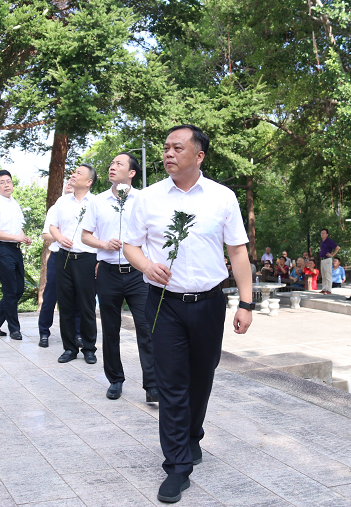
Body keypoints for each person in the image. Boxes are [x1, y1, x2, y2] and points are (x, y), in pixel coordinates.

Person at [123, 125, 253, 504]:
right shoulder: (146, 199)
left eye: (177, 147)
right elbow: (131, 246)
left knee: (201, 376)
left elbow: (239, 253)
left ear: (198, 155)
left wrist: (246, 303)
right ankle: (177, 466)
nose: (168, 153)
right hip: (164, 303)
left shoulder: (222, 197)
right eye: (165, 147)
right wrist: (147, 266)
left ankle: (192, 434)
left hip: (210, 302)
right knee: (172, 384)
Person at [81, 152, 158, 403]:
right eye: (111, 163)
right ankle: (115, 379)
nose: (112, 167)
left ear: (132, 173)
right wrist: (104, 243)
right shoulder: (98, 201)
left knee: (146, 328)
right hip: (108, 272)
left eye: (119, 164)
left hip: (138, 274)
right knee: (111, 329)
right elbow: (85, 236)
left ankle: (153, 385)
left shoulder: (144, 200)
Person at [49, 164, 98, 364]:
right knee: (66, 305)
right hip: (64, 257)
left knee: (86, 306)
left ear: (89, 182)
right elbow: (52, 225)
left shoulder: (96, 202)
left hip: (87, 258)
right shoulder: (62, 201)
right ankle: (69, 348)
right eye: (74, 172)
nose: (73, 175)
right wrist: (60, 238)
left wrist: (99, 261)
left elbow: (103, 232)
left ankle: (89, 349)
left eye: (79, 173)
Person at [0, 170, 32, 340]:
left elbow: (17, 228)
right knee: (11, 290)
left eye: (9, 181)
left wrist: (23, 237)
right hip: (2, 249)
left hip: (15, 249)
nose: (6, 185)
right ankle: (14, 329)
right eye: (2, 182)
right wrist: (15, 237)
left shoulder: (15, 203)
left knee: (19, 289)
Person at [38, 177, 82, 347]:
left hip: (79, 258)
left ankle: (78, 333)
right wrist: (60, 238)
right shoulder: (56, 208)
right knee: (50, 295)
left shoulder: (88, 205)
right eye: (68, 183)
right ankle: (44, 332)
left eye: (73, 183)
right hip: (58, 256)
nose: (70, 185)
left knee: (78, 296)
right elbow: (46, 235)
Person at [318, 229, 340, 294]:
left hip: (327, 259)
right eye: (322, 233)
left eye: (324, 233)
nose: (323, 234)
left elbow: (337, 247)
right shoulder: (322, 241)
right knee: (323, 275)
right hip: (322, 259)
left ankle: (329, 289)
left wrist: (333, 254)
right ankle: (324, 288)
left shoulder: (329, 241)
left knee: (328, 275)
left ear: (327, 234)